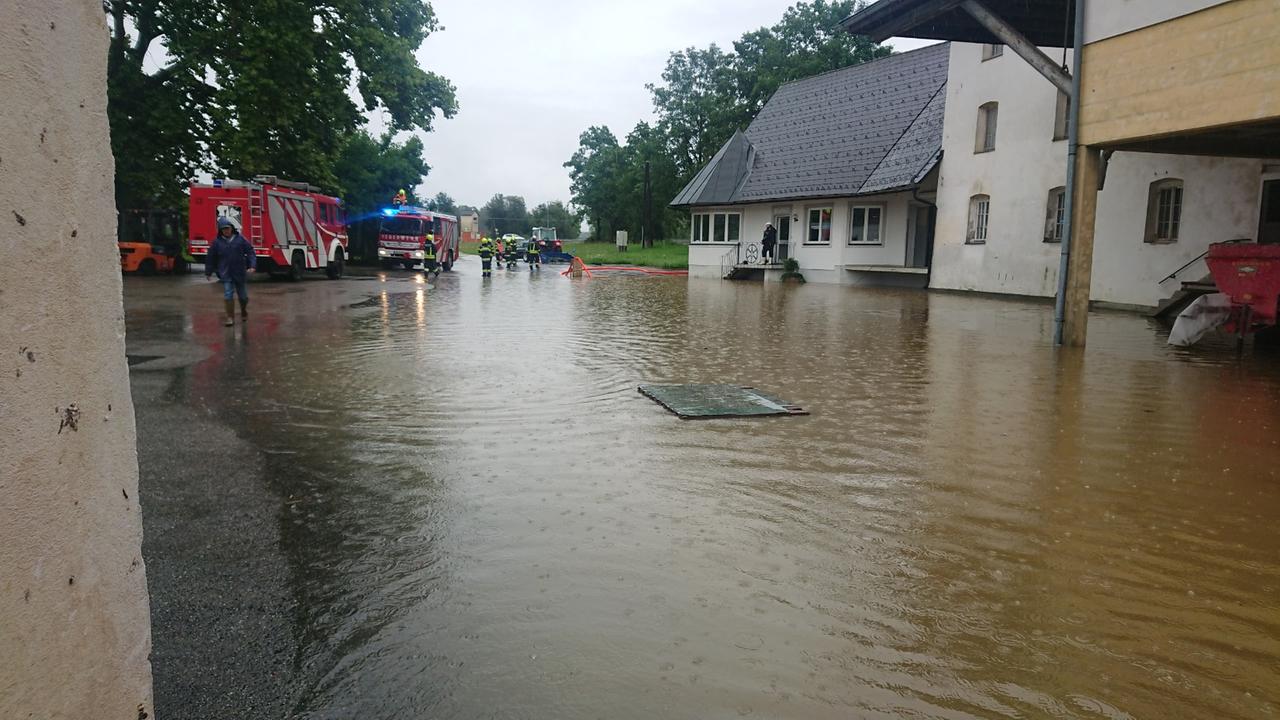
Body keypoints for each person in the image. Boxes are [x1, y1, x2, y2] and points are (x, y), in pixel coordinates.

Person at [205, 217, 256, 326]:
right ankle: (230, 318)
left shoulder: (240, 239)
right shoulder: (217, 243)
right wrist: (208, 272)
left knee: (243, 296)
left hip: (239, 272)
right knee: (228, 294)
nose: (226, 231)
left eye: (227, 228)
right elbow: (210, 258)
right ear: (220, 230)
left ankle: (243, 311)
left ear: (231, 228)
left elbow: (251, 252)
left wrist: (252, 265)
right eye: (223, 229)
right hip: (226, 272)